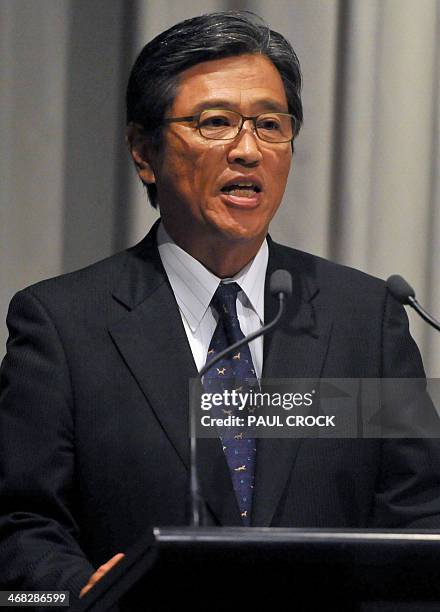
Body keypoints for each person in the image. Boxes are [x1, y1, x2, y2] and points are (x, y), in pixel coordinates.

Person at [1, 10, 440, 603]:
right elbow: (20, 529)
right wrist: (74, 594)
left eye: (270, 124)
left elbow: (419, 519)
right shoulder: (62, 327)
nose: (248, 151)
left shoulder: (364, 319)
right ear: (144, 151)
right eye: (215, 123)